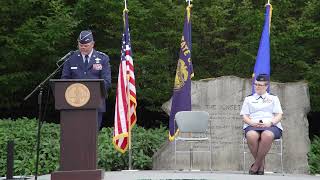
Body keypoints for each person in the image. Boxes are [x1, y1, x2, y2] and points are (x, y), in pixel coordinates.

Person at [61, 30, 111, 128]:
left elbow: (107, 82)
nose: (83, 48)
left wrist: (89, 91)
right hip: (74, 103)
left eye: (86, 45)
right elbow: (64, 80)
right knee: (74, 134)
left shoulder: (103, 59)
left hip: (95, 104)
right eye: (80, 45)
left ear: (92, 44)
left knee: (91, 137)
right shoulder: (71, 58)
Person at [240, 74, 283, 175]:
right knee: (251, 135)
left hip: (271, 125)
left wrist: (270, 123)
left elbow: (279, 115)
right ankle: (261, 165)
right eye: (256, 84)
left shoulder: (273, 98)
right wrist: (251, 122)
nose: (257, 87)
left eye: (260, 85)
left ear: (266, 86)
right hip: (252, 124)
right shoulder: (249, 99)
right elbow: (244, 116)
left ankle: (256, 165)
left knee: (267, 135)